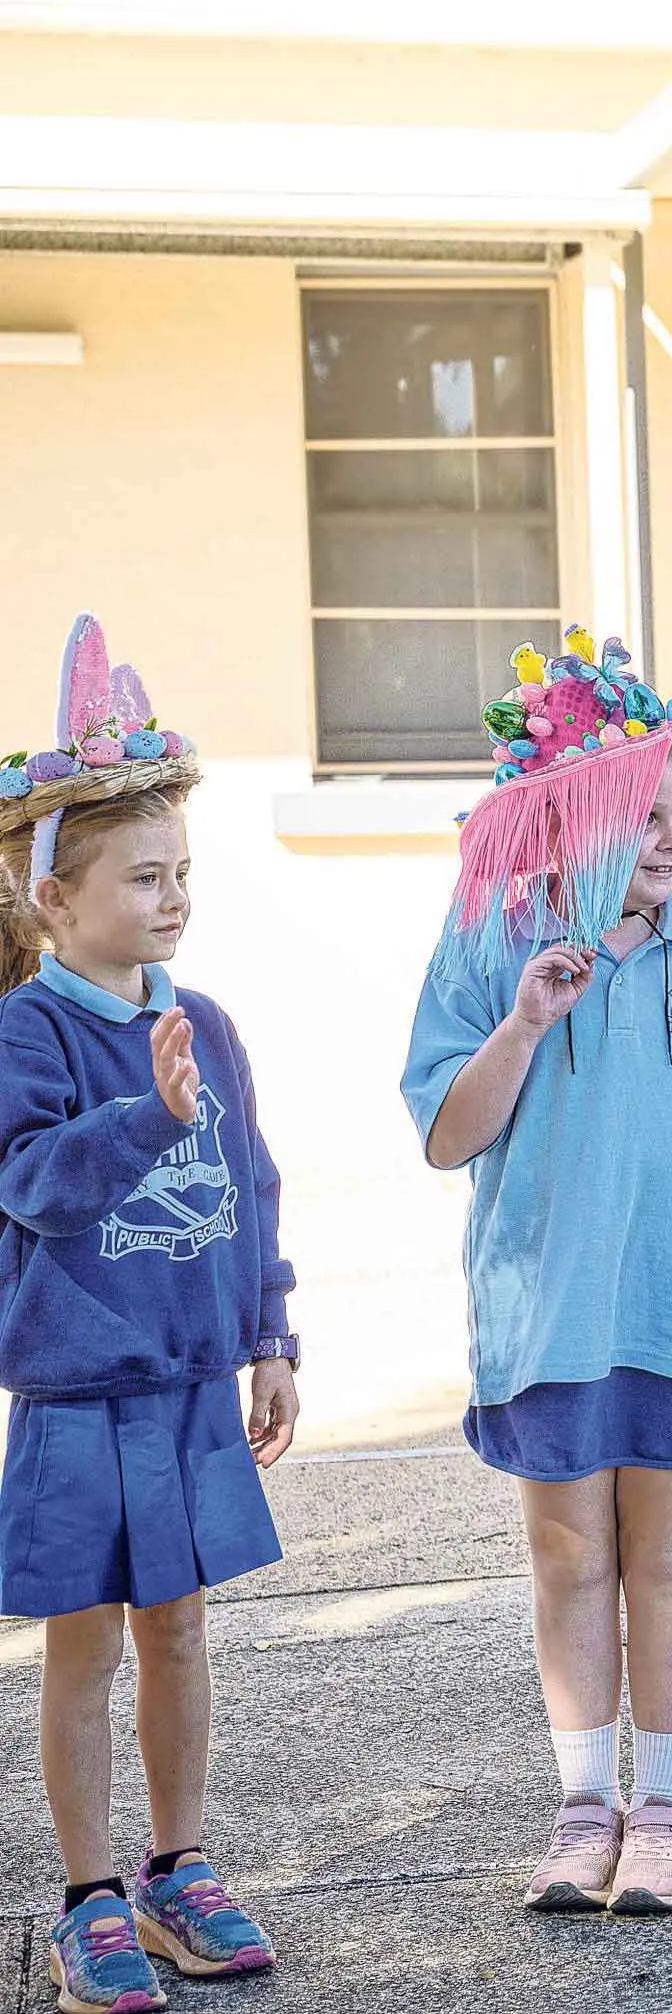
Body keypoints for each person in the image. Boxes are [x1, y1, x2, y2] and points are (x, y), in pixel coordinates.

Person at [402, 629, 672, 1916]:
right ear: (568, 818)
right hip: (550, 1315)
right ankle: (584, 1807)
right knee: (571, 1560)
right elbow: (445, 1137)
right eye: (645, 818)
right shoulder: (487, 948)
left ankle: (667, 1810)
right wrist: (526, 1020)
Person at [1, 619, 294, 2012]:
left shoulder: (213, 1020)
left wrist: (272, 1332)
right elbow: (34, 1184)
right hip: (77, 1387)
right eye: (142, 875)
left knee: (180, 1629)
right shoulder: (26, 1031)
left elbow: (251, 1183)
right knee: (87, 1643)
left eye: (182, 872)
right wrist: (142, 1117)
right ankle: (88, 1895)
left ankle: (180, 1864)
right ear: (51, 897)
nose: (172, 897)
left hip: (189, 1379)